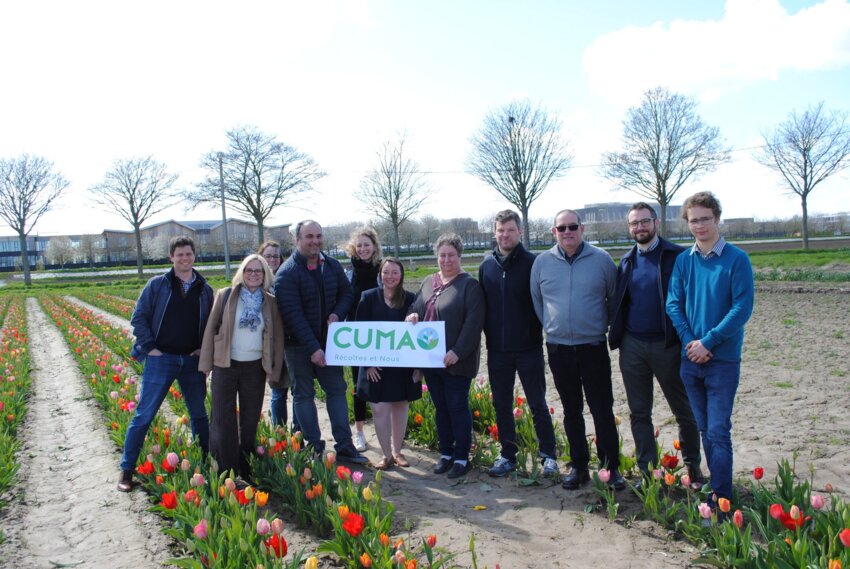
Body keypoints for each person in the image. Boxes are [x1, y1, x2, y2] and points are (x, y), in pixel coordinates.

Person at [666, 191, 754, 512]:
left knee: (718, 430)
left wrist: (709, 342)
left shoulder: (736, 259)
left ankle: (721, 498)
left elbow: (741, 308)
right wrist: (691, 341)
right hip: (691, 360)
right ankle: (717, 488)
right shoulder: (684, 261)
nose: (700, 225)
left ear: (717, 218)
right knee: (705, 429)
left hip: (722, 360)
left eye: (705, 219)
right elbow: (673, 304)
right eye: (694, 220)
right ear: (687, 223)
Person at [609, 202, 703, 487]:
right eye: (634, 223)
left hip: (668, 346)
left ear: (656, 223)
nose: (639, 227)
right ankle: (648, 473)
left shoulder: (678, 257)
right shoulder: (627, 262)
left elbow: (692, 299)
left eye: (644, 221)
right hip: (633, 347)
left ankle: (693, 467)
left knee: (684, 411)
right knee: (639, 412)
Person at [530, 210, 625, 491]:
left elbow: (613, 299)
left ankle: (610, 468)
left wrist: (595, 326)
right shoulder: (542, 263)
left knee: (601, 409)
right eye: (562, 228)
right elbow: (537, 300)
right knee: (571, 410)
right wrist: (554, 327)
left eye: (572, 227)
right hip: (559, 348)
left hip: (592, 347)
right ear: (554, 232)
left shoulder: (602, 260)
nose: (567, 232)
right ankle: (579, 466)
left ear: (582, 229)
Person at [118, 236, 213, 492]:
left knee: (199, 414)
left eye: (188, 254)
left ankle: (207, 465)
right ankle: (126, 471)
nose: (185, 258)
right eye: (179, 254)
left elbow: (211, 324)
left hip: (191, 360)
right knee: (145, 414)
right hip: (162, 359)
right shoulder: (157, 285)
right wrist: (150, 348)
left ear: (194, 256)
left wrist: (203, 349)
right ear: (171, 257)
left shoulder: (204, 289)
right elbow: (138, 317)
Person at [274, 220, 367, 463]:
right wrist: (314, 348)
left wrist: (338, 313)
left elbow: (347, 293)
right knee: (303, 394)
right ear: (298, 240)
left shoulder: (332, 265)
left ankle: (345, 445)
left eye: (318, 236)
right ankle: (313, 446)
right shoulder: (287, 273)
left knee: (336, 390)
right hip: (298, 346)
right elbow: (293, 316)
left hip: (330, 343)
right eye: (309, 236)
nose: (315, 241)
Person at [478, 210, 559, 478]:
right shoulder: (486, 266)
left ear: (520, 232)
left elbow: (545, 302)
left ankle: (548, 456)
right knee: (501, 405)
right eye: (500, 230)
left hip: (528, 348)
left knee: (537, 404)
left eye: (510, 230)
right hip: (497, 350)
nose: (505, 235)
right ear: (494, 232)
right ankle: (507, 456)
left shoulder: (533, 263)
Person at [199, 254, 287, 480]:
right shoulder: (226, 295)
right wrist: (206, 363)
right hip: (225, 365)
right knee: (223, 418)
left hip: (255, 367)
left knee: (249, 419)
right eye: (249, 270)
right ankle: (226, 470)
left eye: (258, 271)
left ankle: (245, 465)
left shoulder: (270, 301)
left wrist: (274, 369)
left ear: (265, 275)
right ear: (242, 272)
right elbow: (211, 329)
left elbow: (277, 337)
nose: (253, 274)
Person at [406, 233, 484, 479]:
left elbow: (473, 324)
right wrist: (412, 315)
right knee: (441, 407)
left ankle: (462, 458)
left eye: (451, 255)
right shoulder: (428, 282)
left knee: (457, 406)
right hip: (432, 360)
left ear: (459, 256)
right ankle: (446, 453)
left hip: (456, 360)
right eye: (442, 255)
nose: (446, 260)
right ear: (436, 257)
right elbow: (416, 307)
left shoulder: (469, 286)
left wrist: (457, 352)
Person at [355, 258, 421, 469]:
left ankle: (397, 451)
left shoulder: (411, 299)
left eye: (395, 272)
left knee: (400, 407)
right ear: (380, 274)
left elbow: (418, 336)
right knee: (379, 409)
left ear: (401, 275)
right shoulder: (368, 297)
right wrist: (368, 364)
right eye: (386, 272)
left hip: (402, 366)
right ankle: (386, 455)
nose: (390, 276)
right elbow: (359, 333)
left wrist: (418, 368)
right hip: (375, 367)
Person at [345, 227, 382, 452]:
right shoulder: (348, 273)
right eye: (359, 245)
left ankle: (385, 431)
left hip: (380, 336)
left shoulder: (382, 270)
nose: (363, 249)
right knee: (359, 386)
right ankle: (359, 432)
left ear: (374, 246)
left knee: (381, 383)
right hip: (356, 337)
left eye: (366, 244)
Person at [258, 240, 291, 429]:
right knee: (278, 391)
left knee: (296, 390)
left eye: (276, 256)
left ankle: (297, 434)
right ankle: (280, 433)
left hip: (289, 340)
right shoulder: (256, 280)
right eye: (268, 256)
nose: (272, 259)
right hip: (267, 344)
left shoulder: (287, 278)